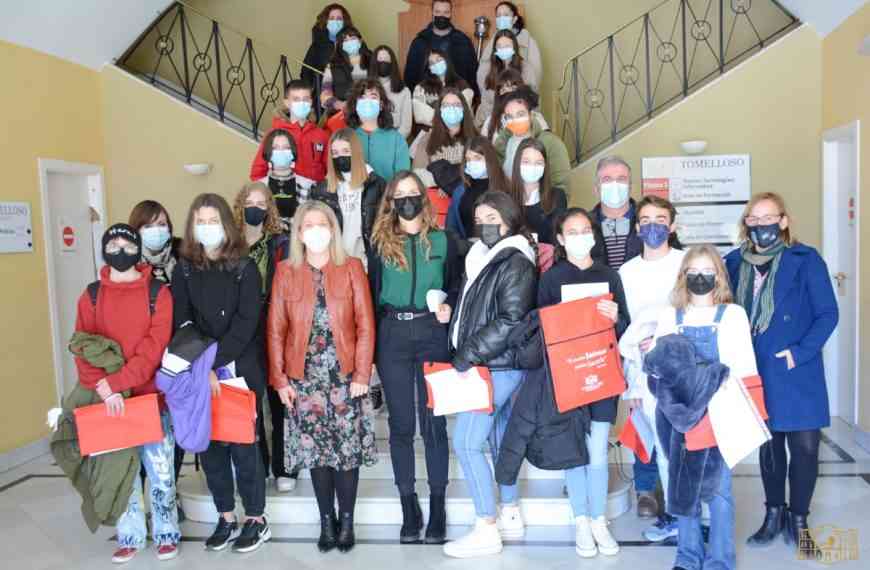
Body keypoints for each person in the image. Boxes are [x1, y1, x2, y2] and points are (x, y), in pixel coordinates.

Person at [725, 193, 838, 558]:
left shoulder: (806, 260)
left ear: (784, 221)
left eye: (768, 217)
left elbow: (827, 314)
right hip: (754, 369)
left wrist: (800, 353)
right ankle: (773, 513)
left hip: (796, 369)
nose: (761, 225)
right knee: (770, 448)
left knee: (805, 449)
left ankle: (799, 519)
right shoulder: (733, 262)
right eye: (753, 219)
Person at [267, 200, 377, 554]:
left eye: (322, 224)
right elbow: (275, 329)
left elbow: (365, 323)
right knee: (316, 455)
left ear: (333, 229)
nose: (316, 231)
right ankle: (325, 521)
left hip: (346, 375)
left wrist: (362, 372)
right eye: (308, 225)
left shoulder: (351, 267)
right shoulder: (286, 270)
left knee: (346, 453)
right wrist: (280, 379)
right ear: (299, 232)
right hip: (304, 376)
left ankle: (347, 521)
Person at [171, 193, 270, 553]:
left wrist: (213, 363)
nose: (207, 227)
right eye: (201, 221)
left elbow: (246, 323)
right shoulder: (182, 269)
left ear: (226, 225)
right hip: (199, 372)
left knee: (244, 447)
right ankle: (226, 516)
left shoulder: (243, 267)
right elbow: (181, 320)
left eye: (214, 221)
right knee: (210, 448)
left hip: (239, 369)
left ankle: (256, 519)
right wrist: (202, 367)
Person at [367, 171, 462, 544]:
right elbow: (372, 296)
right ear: (391, 202)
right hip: (392, 335)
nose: (407, 200)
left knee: (433, 425)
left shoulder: (442, 240)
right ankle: (409, 503)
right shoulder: (378, 244)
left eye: (413, 194)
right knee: (402, 425)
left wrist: (450, 304)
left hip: (431, 334)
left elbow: (456, 282)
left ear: (423, 199)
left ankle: (437, 502)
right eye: (399, 195)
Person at [72, 223, 176, 564]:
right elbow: (82, 346)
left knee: (161, 474)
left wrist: (117, 383)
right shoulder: (90, 295)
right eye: (112, 244)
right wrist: (104, 390)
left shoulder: (158, 293)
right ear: (104, 249)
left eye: (126, 244)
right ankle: (130, 535)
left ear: (137, 249)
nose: (120, 250)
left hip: (151, 399)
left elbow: (153, 349)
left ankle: (166, 533)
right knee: (122, 474)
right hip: (109, 403)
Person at [652, 244, 760, 570]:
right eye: (694, 271)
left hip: (720, 414)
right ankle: (687, 557)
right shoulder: (670, 316)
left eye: (708, 271)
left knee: (719, 491)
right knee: (683, 490)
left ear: (719, 276)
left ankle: (720, 561)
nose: (701, 277)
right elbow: (660, 367)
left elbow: (743, 367)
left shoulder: (733, 314)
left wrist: (709, 388)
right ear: (684, 276)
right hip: (679, 416)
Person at [443, 191, 537, 558]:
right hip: (490, 364)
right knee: (497, 438)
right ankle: (509, 511)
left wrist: (468, 353)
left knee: (467, 443)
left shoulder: (514, 261)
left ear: (510, 220)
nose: (485, 224)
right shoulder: (480, 257)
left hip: (495, 365)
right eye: (480, 218)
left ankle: (486, 526)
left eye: (492, 217)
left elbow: (511, 320)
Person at [537, 208, 629, 558]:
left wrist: (616, 317)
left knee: (597, 451)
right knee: (574, 452)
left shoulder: (610, 275)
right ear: (560, 239)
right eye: (571, 231)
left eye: (585, 230)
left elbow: (626, 328)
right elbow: (541, 330)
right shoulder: (550, 279)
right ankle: (580, 520)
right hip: (567, 377)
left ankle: (598, 519)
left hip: (603, 374)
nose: (580, 236)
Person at [618, 195, 686, 543]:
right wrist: (630, 387)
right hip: (643, 373)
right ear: (637, 227)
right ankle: (674, 516)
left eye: (661, 219)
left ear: (672, 226)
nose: (653, 226)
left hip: (684, 371)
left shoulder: (686, 263)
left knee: (687, 447)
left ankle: (694, 516)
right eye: (645, 219)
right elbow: (626, 326)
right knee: (659, 446)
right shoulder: (626, 272)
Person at [232, 182, 296, 493]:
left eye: (261, 202)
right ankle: (257, 462)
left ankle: (285, 466)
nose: (254, 208)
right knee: (250, 400)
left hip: (275, 322)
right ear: (240, 206)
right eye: (249, 202)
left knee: (279, 397)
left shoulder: (280, 243)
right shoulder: (229, 246)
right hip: (242, 328)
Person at [309, 127, 387, 261]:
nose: (340, 157)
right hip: (335, 258)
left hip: (367, 257)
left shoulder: (376, 184)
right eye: (335, 153)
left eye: (346, 151)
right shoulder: (321, 190)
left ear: (356, 152)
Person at [250, 80, 330, 196]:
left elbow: (330, 171)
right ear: (287, 102)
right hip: (281, 196)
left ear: (311, 102)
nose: (301, 103)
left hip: (312, 199)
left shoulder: (321, 135)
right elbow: (257, 172)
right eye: (296, 99)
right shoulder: (274, 134)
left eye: (305, 99)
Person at [494, 87, 571, 189]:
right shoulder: (504, 143)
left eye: (520, 114)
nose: (515, 120)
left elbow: (562, 187)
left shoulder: (551, 143)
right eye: (509, 116)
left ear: (530, 114)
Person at [404, 0, 478, 95]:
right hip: (426, 98)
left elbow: (472, 73)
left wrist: (472, 99)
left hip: (457, 99)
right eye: (438, 12)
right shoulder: (419, 42)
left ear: (451, 13)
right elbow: (410, 75)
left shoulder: (463, 41)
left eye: (446, 12)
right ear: (432, 13)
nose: (441, 16)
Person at [345, 79, 411, 180]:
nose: (367, 101)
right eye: (362, 97)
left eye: (373, 97)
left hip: (387, 194)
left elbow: (403, 178)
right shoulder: (346, 138)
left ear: (381, 105)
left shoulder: (396, 139)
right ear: (355, 104)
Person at [447, 136, 509, 239]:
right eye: (468, 159)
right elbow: (451, 226)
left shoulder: (505, 188)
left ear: (489, 159)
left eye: (477, 158)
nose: (472, 163)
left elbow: (512, 226)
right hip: (467, 249)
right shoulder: (460, 191)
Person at [508, 138, 567, 245]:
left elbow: (558, 239)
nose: (532, 167)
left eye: (538, 163)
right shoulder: (506, 199)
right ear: (517, 163)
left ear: (545, 166)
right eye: (526, 161)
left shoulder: (557, 196)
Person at [476, 30, 538, 131]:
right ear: (495, 49)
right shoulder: (487, 69)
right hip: (493, 119)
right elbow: (485, 101)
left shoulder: (526, 68)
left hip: (519, 119)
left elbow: (532, 99)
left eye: (507, 45)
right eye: (499, 46)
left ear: (514, 47)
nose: (503, 49)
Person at [413, 87, 477, 172]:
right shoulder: (426, 141)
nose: (452, 109)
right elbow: (419, 174)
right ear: (439, 111)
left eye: (457, 105)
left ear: (464, 109)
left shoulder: (477, 138)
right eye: (446, 105)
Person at [479, 2, 542, 87]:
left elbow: (536, 74)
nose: (502, 18)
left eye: (506, 15)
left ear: (514, 19)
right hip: (495, 94)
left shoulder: (528, 42)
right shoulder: (492, 42)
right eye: (498, 15)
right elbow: (483, 70)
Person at [412, 48, 475, 132]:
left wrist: (434, 115)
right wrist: (451, 116)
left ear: (447, 61)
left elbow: (464, 113)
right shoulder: (420, 87)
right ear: (429, 68)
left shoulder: (463, 85)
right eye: (431, 63)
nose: (436, 64)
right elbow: (420, 116)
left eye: (439, 60)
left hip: (457, 133)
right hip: (429, 133)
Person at [301, 4, 355, 96]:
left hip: (350, 95)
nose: (335, 21)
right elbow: (306, 72)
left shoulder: (354, 42)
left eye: (339, 19)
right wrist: (307, 95)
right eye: (332, 18)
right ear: (326, 21)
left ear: (345, 22)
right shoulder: (317, 46)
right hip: (324, 96)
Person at [481, 69, 549, 138]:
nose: (508, 95)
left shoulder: (536, 117)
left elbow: (546, 141)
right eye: (503, 90)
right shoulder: (489, 122)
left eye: (513, 88)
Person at [320, 26, 371, 116]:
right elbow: (325, 94)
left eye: (353, 38)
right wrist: (340, 104)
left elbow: (382, 88)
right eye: (345, 40)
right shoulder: (332, 66)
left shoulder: (372, 61)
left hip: (370, 113)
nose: (350, 42)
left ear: (360, 40)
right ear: (340, 44)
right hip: (342, 116)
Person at [255, 128, 301, 225]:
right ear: (268, 152)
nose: (281, 151)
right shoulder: (259, 187)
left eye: (286, 147)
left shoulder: (305, 185)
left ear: (293, 151)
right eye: (275, 147)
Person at [129, 200, 181, 285]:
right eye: (148, 226)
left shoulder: (183, 254)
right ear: (136, 230)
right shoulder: (128, 261)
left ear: (169, 227)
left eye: (162, 224)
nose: (157, 230)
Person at [369, 45, 412, 138]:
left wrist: (391, 143)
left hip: (395, 139)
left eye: (386, 59)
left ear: (392, 63)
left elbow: (406, 127)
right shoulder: (365, 89)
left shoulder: (404, 91)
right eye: (380, 59)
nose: (383, 62)